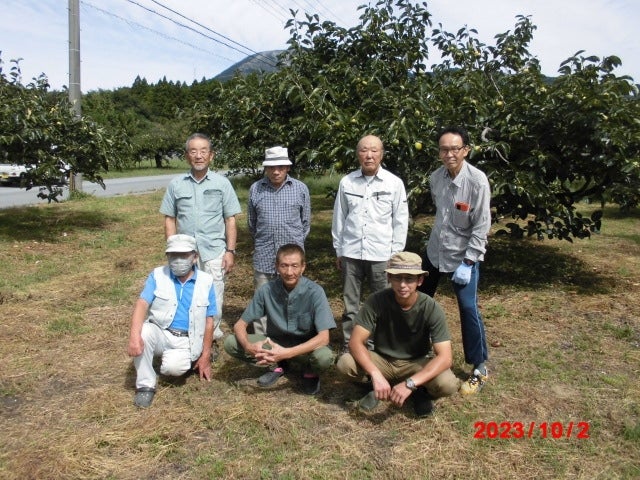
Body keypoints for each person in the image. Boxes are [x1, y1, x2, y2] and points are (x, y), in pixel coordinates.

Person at [336, 252, 459, 417]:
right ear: (388, 278)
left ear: (420, 281)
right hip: (383, 360)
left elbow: (445, 357)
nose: (402, 285)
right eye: (397, 278)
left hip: (416, 363)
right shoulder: (376, 301)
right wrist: (375, 373)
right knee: (345, 363)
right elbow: (355, 342)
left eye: (409, 279)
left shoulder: (431, 307)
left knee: (448, 384)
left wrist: (410, 383)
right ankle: (377, 384)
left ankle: (418, 391)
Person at [419, 126, 492, 395]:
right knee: (420, 301)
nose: (449, 153)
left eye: (454, 149)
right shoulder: (436, 178)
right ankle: (418, 350)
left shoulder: (477, 181)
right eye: (444, 149)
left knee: (468, 309)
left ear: (466, 150)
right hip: (435, 251)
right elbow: (443, 217)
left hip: (463, 256)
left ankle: (479, 366)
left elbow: (481, 226)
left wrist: (470, 261)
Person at [160, 133, 242, 347]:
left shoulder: (222, 183)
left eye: (203, 151)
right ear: (187, 156)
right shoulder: (176, 185)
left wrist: (230, 251)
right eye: (193, 151)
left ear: (211, 155)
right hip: (185, 252)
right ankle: (187, 337)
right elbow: (170, 218)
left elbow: (230, 219)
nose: (199, 156)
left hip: (214, 251)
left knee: (214, 296)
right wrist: (173, 250)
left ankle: (210, 339)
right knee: (185, 295)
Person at [223, 244, 336, 395]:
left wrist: (286, 353)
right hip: (275, 344)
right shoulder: (266, 290)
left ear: (303, 267)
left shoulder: (315, 292)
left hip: (306, 348)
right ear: (277, 267)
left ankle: (310, 371)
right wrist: (248, 346)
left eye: (295, 266)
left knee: (324, 357)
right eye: (284, 266)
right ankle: (278, 364)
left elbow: (324, 338)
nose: (289, 272)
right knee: (231, 343)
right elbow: (240, 325)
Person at [331, 134, 409, 352]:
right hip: (351, 253)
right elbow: (339, 217)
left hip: (382, 255)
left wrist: (396, 254)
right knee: (350, 305)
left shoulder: (394, 183)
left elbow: (400, 221)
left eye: (374, 150)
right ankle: (350, 346)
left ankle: (378, 346)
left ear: (381, 154)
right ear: (358, 154)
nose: (369, 155)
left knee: (383, 304)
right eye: (364, 150)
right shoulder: (347, 182)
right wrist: (339, 249)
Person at [127, 234, 217, 408]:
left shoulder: (206, 281)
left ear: (195, 257)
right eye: (173, 255)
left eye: (184, 255)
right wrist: (133, 337)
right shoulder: (157, 275)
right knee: (143, 332)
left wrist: (205, 355)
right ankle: (145, 385)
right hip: (161, 331)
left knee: (172, 370)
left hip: (187, 340)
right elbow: (142, 303)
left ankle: (189, 358)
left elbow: (209, 321)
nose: (178, 260)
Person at [247, 146, 311, 334]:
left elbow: (305, 223)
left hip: (292, 260)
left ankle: (294, 337)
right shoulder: (255, 189)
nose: (276, 171)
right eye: (271, 167)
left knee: (295, 299)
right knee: (261, 300)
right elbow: (252, 223)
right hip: (265, 256)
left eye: (281, 167)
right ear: (266, 168)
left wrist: (294, 247)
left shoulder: (300, 188)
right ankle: (262, 343)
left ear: (287, 167)